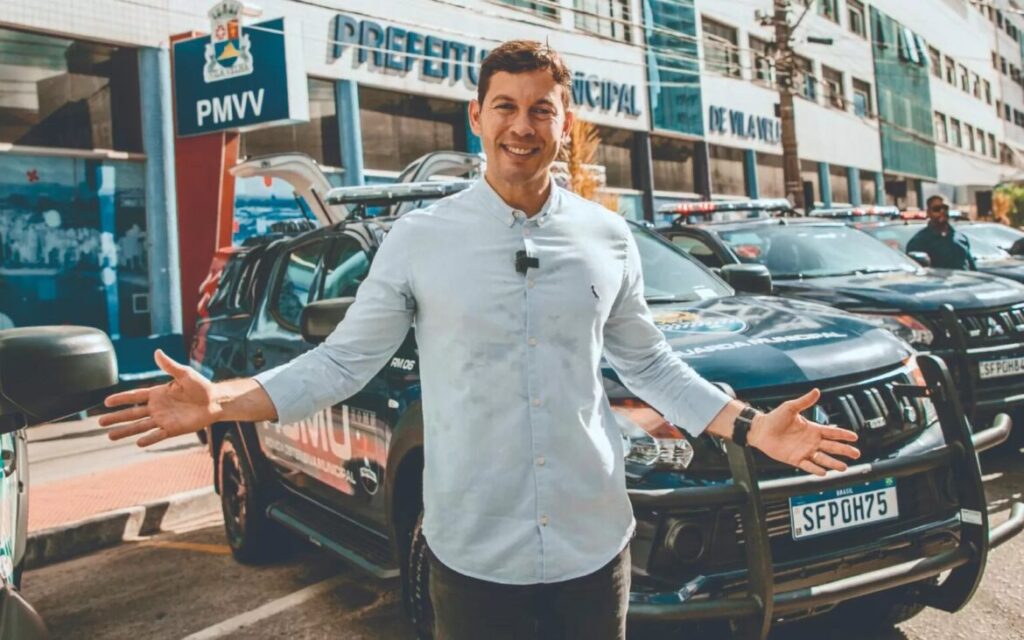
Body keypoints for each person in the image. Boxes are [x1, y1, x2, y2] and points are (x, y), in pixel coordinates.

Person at [99, 41, 859, 640]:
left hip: (594, 550)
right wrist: (221, 400)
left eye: (542, 110)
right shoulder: (419, 241)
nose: (521, 126)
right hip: (471, 558)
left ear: (566, 124)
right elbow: (341, 361)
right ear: (476, 116)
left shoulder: (607, 237)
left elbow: (651, 364)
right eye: (506, 106)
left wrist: (756, 429)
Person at [907, 194, 976, 270]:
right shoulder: (919, 241)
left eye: (945, 208)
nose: (942, 211)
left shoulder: (961, 238)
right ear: (928, 213)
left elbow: (972, 268)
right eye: (937, 209)